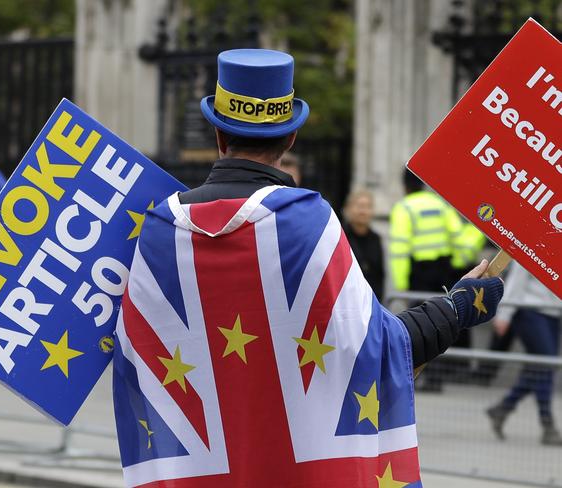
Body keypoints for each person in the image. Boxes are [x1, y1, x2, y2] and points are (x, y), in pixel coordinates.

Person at [113, 48, 503, 487]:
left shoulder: (158, 231)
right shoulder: (308, 222)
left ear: (219, 137)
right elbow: (378, 347)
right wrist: (458, 308)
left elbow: (133, 356)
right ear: (291, 138)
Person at [389, 171, 467, 392]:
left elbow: (399, 250)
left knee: (420, 325)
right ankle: (436, 377)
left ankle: (417, 375)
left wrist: (402, 285)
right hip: (443, 270)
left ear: (405, 185)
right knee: (441, 320)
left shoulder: (404, 208)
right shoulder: (440, 205)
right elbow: (457, 237)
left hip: (419, 273)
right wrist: (457, 266)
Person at [486, 262, 562, 446]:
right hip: (529, 311)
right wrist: (504, 314)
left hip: (554, 313)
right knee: (545, 365)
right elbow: (516, 281)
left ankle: (503, 408)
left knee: (539, 367)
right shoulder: (535, 244)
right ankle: (547, 424)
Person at [341, 189, 385, 302]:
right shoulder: (340, 237)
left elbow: (380, 275)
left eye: (368, 207)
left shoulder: (376, 239)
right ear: (348, 209)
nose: (363, 211)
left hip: (370, 301)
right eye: (359, 206)